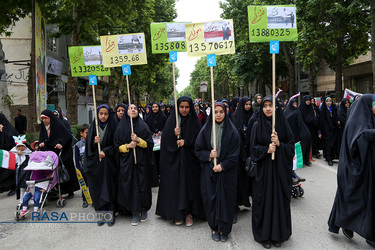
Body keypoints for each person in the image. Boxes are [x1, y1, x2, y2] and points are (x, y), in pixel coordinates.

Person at [328, 94, 375, 248]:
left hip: (367, 168)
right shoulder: (357, 120)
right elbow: (359, 140)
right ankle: (350, 225)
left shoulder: (369, 117)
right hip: (354, 168)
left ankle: (368, 232)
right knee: (352, 199)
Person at [249, 96, 294, 249]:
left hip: (280, 172)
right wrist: (266, 150)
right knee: (264, 201)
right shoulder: (256, 125)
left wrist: (280, 143)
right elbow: (253, 150)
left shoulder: (283, 125)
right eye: (265, 106)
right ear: (261, 108)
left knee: (279, 201)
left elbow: (291, 148)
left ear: (276, 108)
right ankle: (264, 235)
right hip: (264, 172)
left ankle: (278, 235)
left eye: (271, 106)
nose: (268, 108)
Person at [156, 96, 205, 226]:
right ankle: (177, 213)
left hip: (190, 161)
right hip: (175, 161)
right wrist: (174, 134)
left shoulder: (195, 122)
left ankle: (189, 213)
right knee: (176, 186)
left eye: (187, 107)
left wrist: (186, 142)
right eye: (181, 107)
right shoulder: (172, 121)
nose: (184, 110)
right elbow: (165, 142)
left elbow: (200, 142)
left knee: (189, 187)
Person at [195, 102, 240, 242]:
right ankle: (214, 226)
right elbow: (198, 149)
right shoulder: (206, 130)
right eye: (216, 112)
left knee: (226, 200)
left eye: (221, 111)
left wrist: (223, 165)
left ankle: (225, 229)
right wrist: (209, 155)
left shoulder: (232, 131)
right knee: (211, 199)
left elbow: (235, 153)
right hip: (209, 171)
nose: (218, 114)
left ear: (225, 112)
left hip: (227, 173)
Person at [114, 104, 154, 226]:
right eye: (130, 109)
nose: (133, 110)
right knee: (130, 185)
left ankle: (143, 209)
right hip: (127, 162)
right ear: (126, 112)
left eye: (135, 109)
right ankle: (134, 211)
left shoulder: (143, 126)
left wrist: (138, 141)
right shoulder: (120, 128)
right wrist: (128, 146)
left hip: (141, 162)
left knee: (142, 184)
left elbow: (149, 144)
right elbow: (116, 147)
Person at [84, 104, 117, 226]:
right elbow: (88, 148)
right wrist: (93, 142)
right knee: (97, 188)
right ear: (97, 114)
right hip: (96, 164)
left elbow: (116, 144)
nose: (103, 116)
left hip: (108, 164)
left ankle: (110, 214)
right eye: (101, 114)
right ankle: (101, 213)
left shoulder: (113, 126)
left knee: (108, 188)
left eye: (106, 114)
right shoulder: (94, 127)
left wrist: (106, 152)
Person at [39, 110, 79, 197]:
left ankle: (70, 190)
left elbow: (67, 136)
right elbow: (42, 138)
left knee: (66, 170)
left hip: (63, 152)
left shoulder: (58, 125)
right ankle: (54, 191)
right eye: (42, 119)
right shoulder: (43, 127)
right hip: (51, 153)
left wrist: (61, 143)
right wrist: (42, 143)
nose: (44, 120)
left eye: (45, 118)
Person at [232, 97, 253, 213]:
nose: (248, 106)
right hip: (240, 154)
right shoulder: (236, 117)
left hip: (250, 151)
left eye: (250, 104)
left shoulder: (252, 116)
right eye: (246, 104)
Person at [285, 99, 312, 166]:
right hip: (290, 132)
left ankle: (304, 160)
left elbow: (300, 122)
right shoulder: (286, 112)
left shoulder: (297, 111)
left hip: (297, 132)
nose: (295, 105)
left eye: (296, 104)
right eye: (293, 104)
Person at [0, 113, 19, 196]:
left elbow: (11, 142)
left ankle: (14, 187)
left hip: (11, 155)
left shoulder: (9, 130)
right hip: (3, 155)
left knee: (10, 172)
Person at [10, 135, 32, 207]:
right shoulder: (14, 153)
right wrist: (18, 155)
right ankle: (21, 200)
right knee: (20, 186)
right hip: (19, 171)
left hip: (27, 171)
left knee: (27, 185)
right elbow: (14, 161)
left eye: (22, 146)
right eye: (18, 146)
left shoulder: (28, 153)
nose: (20, 148)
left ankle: (27, 199)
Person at [319, 97, 340, 166]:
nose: (328, 103)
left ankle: (332, 156)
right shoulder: (323, 110)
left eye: (330, 101)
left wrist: (338, 121)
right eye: (327, 101)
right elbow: (321, 121)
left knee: (333, 144)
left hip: (334, 130)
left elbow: (337, 117)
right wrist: (320, 132)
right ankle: (328, 158)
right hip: (326, 130)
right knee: (327, 145)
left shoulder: (334, 109)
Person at [74, 124, 90, 208]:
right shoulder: (78, 145)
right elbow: (76, 158)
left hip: (91, 168)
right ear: (81, 133)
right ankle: (85, 200)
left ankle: (93, 199)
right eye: (87, 132)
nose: (88, 134)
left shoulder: (92, 142)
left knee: (92, 185)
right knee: (84, 185)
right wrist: (78, 169)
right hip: (82, 169)